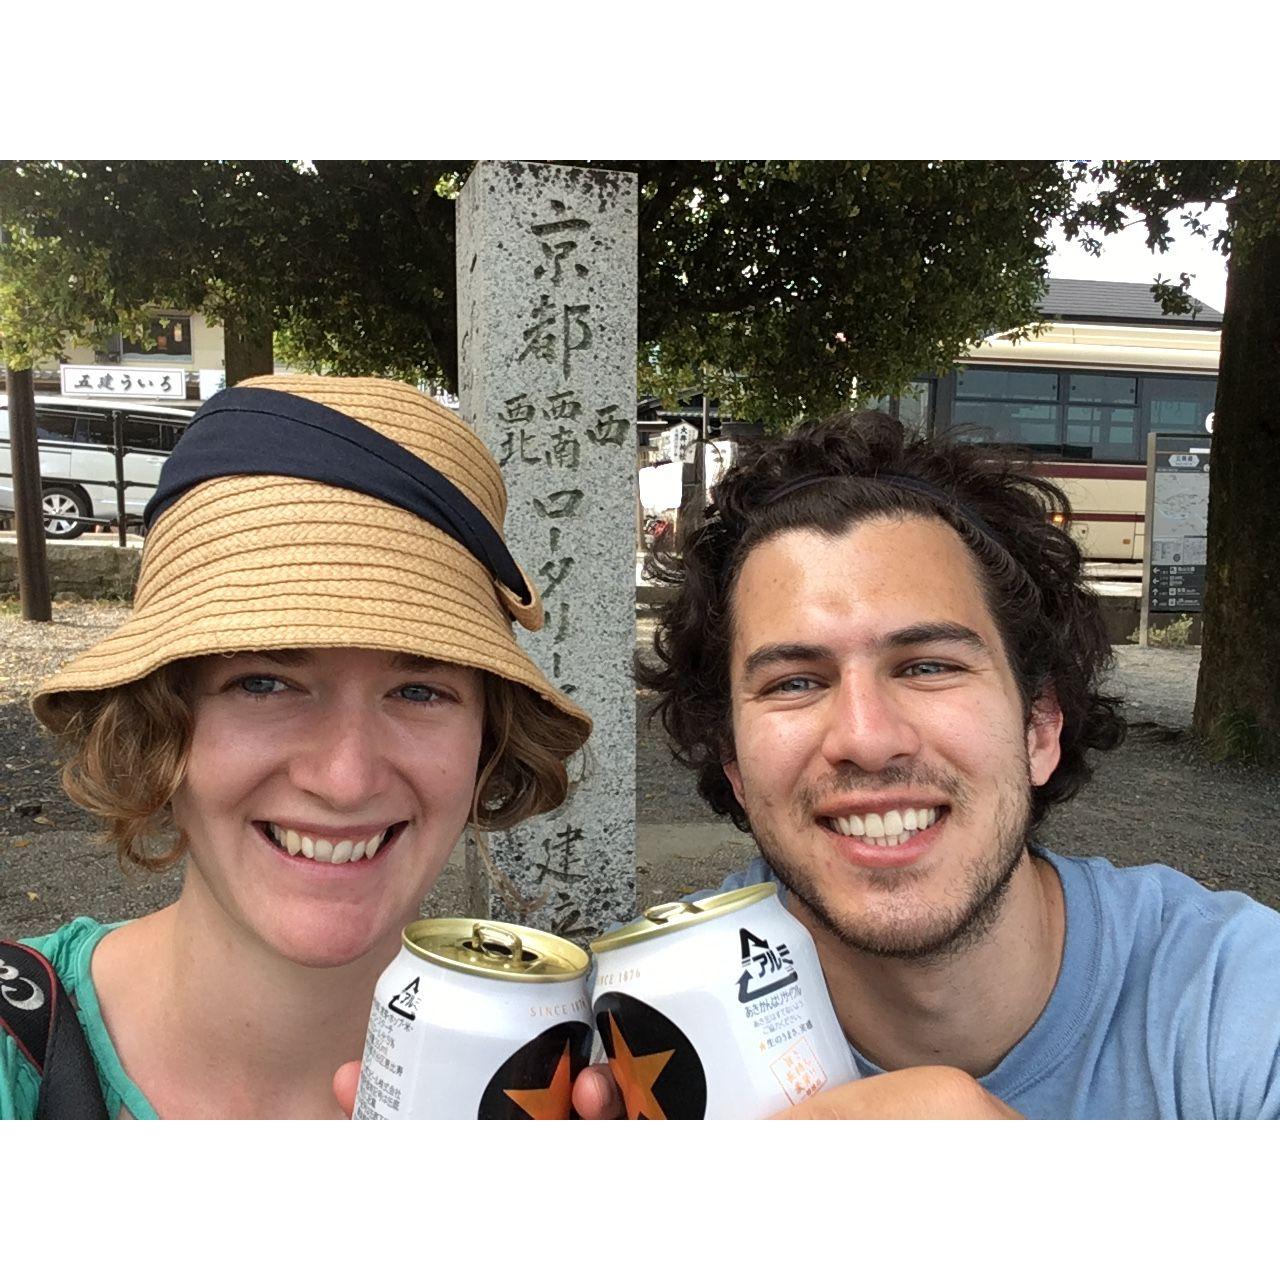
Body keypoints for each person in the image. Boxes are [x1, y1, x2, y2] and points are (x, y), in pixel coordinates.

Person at [575, 410, 1280, 1120]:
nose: (867, 737)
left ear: (1040, 726)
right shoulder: (635, 1041)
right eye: (795, 681)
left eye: (928, 666)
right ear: (731, 760)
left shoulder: (1239, 996)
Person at [1, 375, 590, 1119]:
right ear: (159, 721)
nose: (344, 780)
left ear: (487, 742)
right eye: (264, 684)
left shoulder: (578, 1082)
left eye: (418, 692)